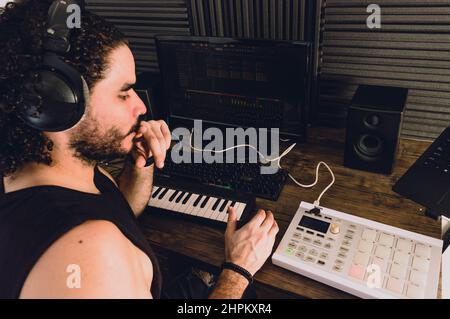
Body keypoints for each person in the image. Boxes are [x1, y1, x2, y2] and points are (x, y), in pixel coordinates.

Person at [0, 0, 279, 298]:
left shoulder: (49, 168)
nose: (141, 106)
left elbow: (119, 213)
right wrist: (237, 272)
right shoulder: (89, 257)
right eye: (123, 94)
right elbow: (98, 243)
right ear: (59, 104)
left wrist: (141, 162)